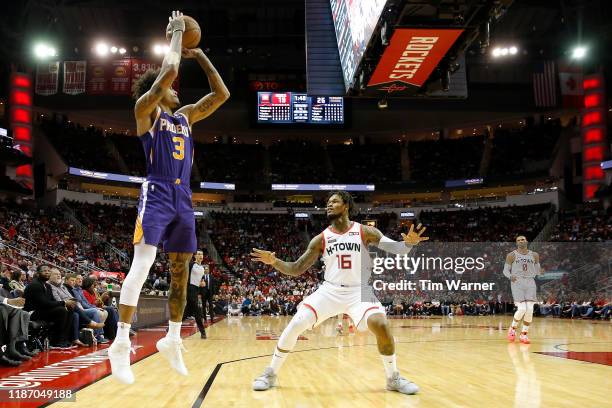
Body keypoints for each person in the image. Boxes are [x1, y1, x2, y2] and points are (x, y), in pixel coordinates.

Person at [107, 10, 230, 385]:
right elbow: (168, 73)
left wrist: (201, 55)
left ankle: (173, 339)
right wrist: (177, 34)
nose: (178, 90)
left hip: (184, 199)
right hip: (157, 193)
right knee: (142, 267)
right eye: (172, 88)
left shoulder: (187, 118)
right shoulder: (146, 110)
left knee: (181, 274)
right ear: (160, 90)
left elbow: (221, 94)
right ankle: (120, 343)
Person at [250, 191, 428, 394]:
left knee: (382, 325)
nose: (328, 205)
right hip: (330, 290)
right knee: (297, 323)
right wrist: (274, 262)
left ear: (346, 206)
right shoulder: (320, 239)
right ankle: (270, 373)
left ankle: (393, 378)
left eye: (334, 201)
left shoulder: (365, 231)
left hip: (360, 290)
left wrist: (409, 244)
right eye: (327, 202)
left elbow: (398, 249)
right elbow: (296, 268)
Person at [23, 265, 76, 349]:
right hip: (32, 312)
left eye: (48, 271)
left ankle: (64, 339)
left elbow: (51, 301)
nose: (47, 272)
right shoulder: (35, 285)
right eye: (44, 271)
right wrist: (64, 302)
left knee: (69, 309)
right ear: (38, 273)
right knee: (61, 311)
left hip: (42, 310)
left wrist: (66, 304)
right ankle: (56, 341)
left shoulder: (47, 286)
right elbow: (43, 303)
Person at [503, 236, 543, 344]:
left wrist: (540, 271)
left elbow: (538, 270)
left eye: (523, 239)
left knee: (529, 309)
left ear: (527, 241)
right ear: (516, 243)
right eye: (519, 240)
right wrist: (510, 276)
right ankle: (512, 328)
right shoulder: (511, 255)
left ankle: (524, 334)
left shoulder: (534, 255)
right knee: (522, 309)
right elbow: (505, 270)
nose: (521, 241)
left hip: (530, 282)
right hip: (517, 282)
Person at [185, 250, 207, 338]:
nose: (200, 255)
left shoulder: (202, 268)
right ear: (195, 256)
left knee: (187, 312)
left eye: (201, 254)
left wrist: (203, 283)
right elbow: (185, 276)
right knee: (197, 311)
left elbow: (201, 280)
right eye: (198, 254)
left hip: (196, 290)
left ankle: (171, 328)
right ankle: (203, 332)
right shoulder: (191, 265)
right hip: (190, 289)